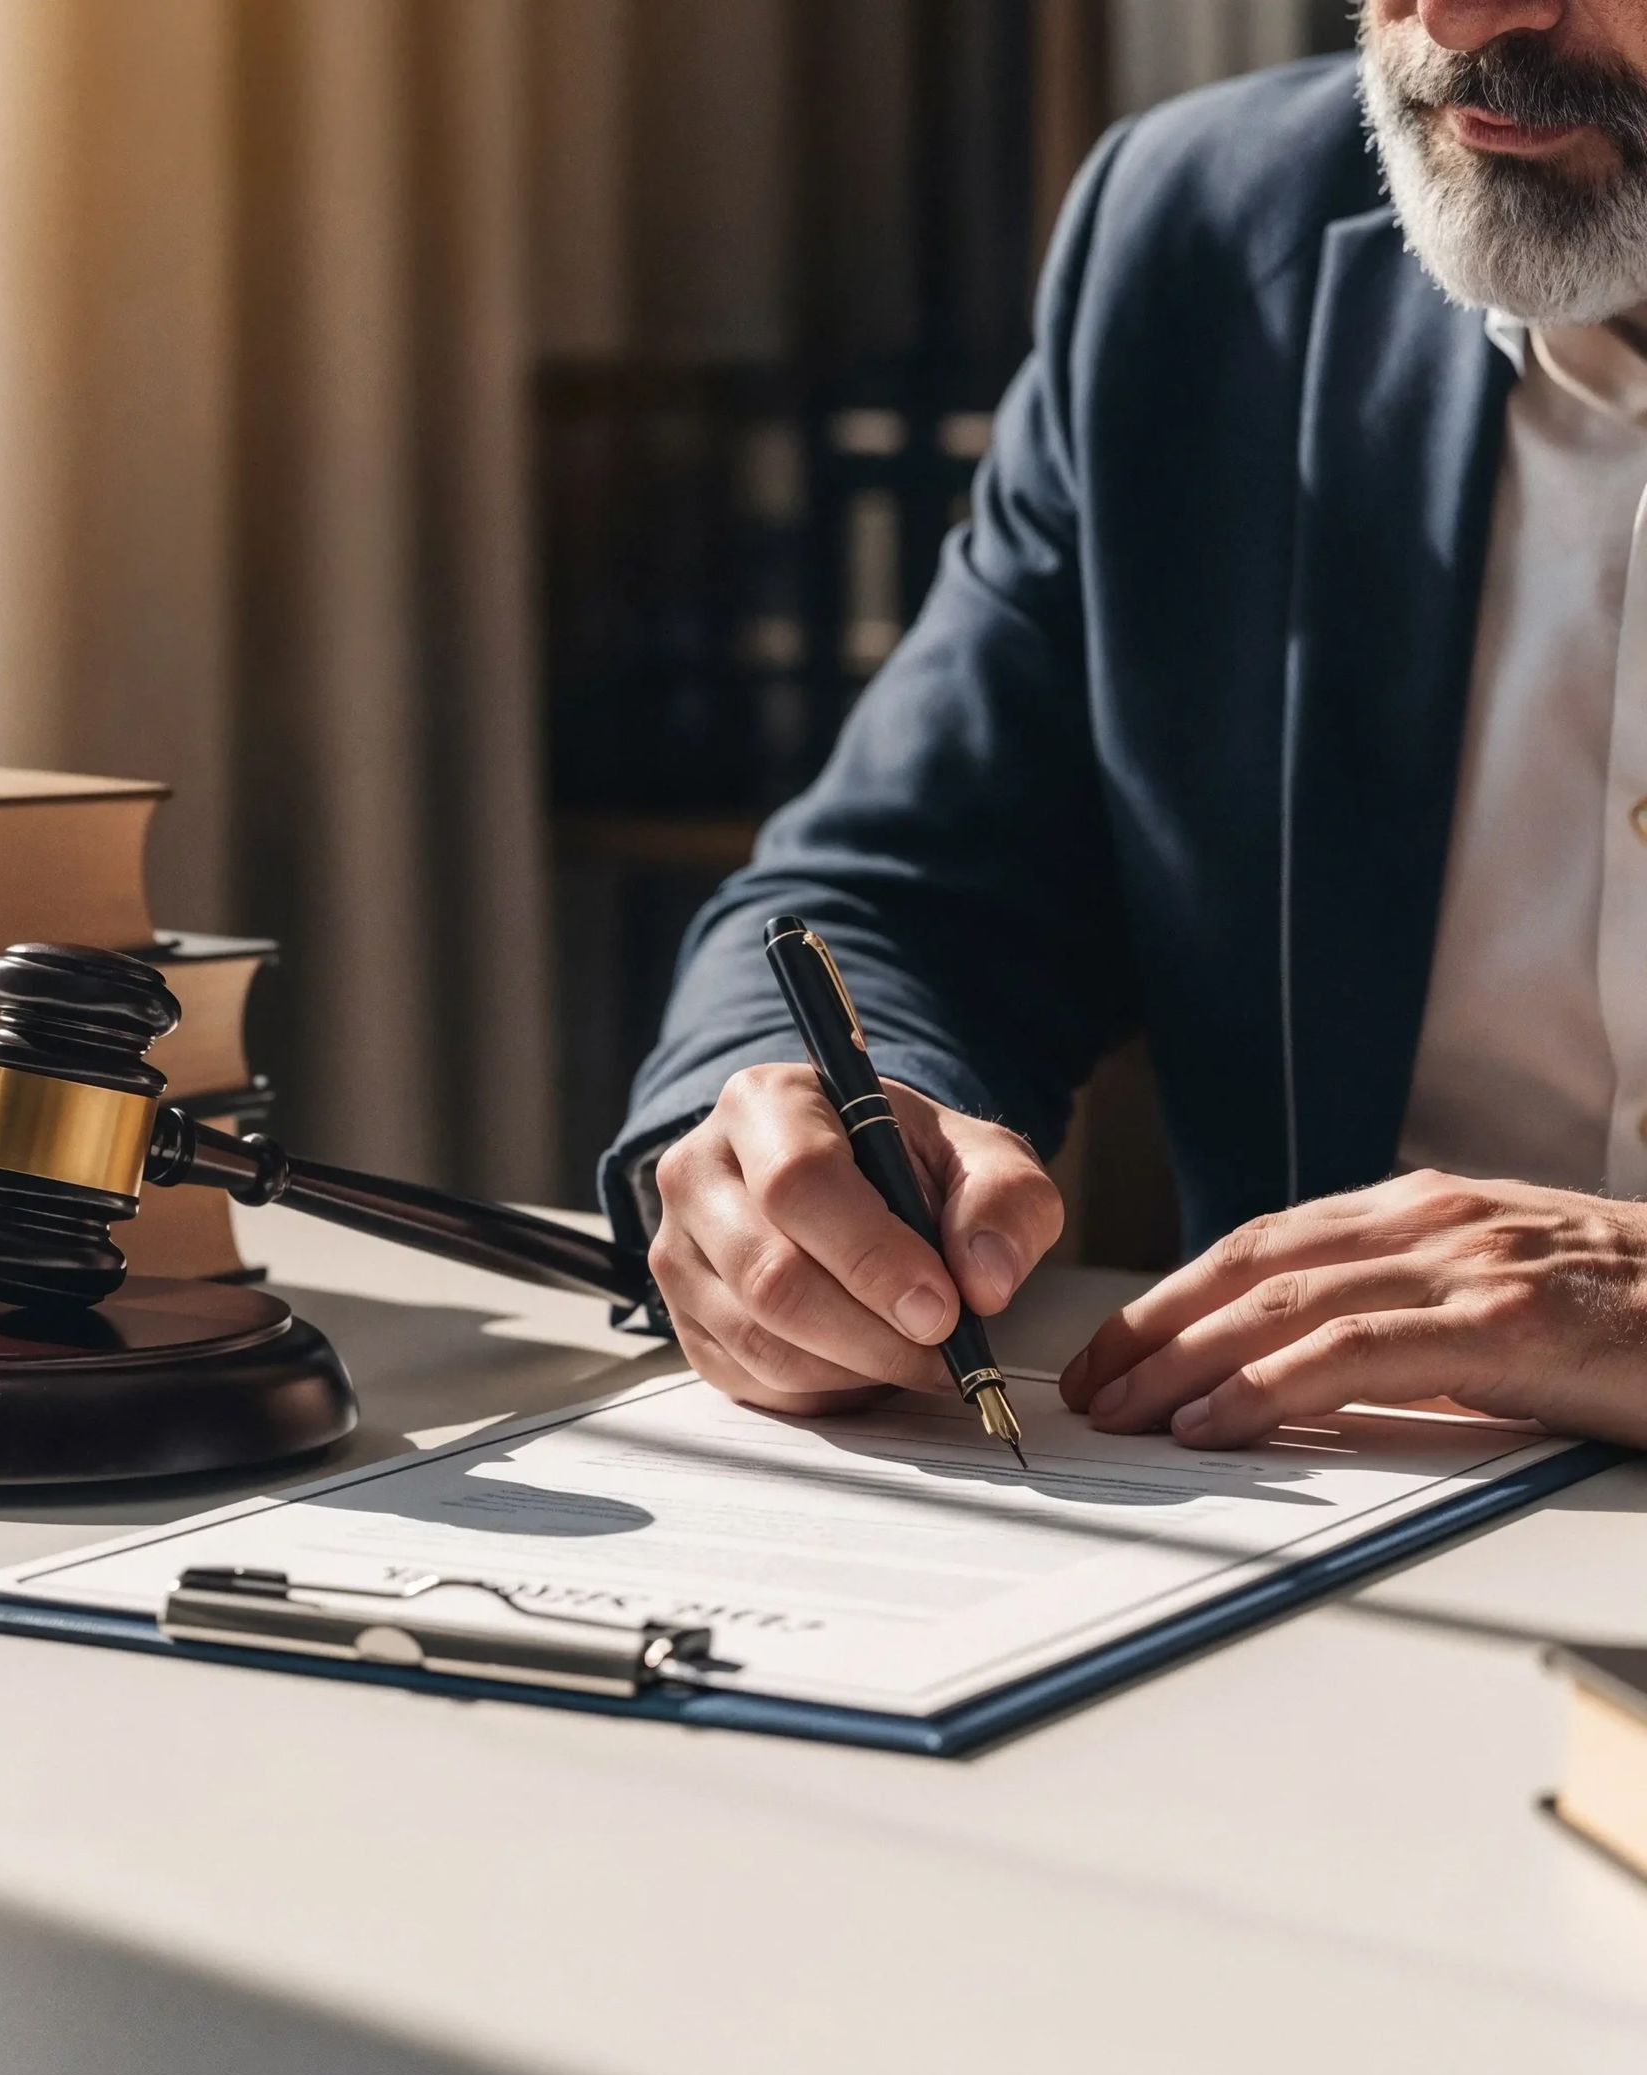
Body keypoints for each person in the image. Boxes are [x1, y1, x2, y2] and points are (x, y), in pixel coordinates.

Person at [601, 0, 1647, 1452]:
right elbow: (904, 898)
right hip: (1319, 1545)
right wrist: (790, 1173)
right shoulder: (1207, 236)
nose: (1462, 15)